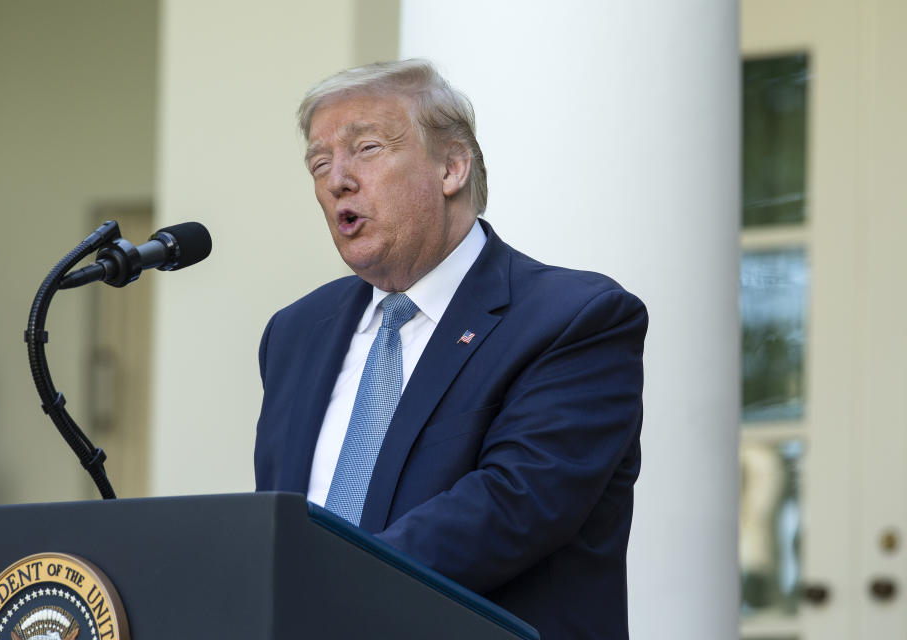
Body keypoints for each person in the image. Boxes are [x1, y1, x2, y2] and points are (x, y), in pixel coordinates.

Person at [255, 59, 647, 640]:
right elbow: (283, 517)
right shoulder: (295, 332)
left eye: (365, 148)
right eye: (319, 162)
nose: (337, 177)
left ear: (452, 167)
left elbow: (513, 504)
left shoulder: (573, 318)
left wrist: (318, 586)